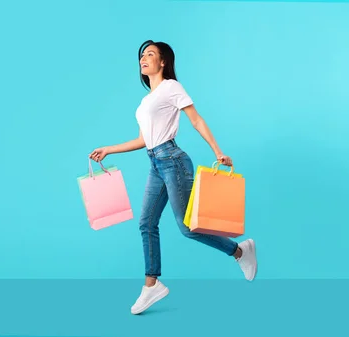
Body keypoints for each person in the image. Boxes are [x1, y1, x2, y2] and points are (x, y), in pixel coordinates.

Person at [89, 40, 258, 315]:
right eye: (142, 55)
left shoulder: (171, 87)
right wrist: (109, 149)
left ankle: (240, 251)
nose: (144, 58)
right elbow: (144, 140)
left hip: (173, 161)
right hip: (155, 162)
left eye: (151, 54)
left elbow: (196, 119)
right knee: (146, 223)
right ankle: (152, 284)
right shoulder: (145, 102)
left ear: (163, 61)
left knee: (187, 227)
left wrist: (218, 151)